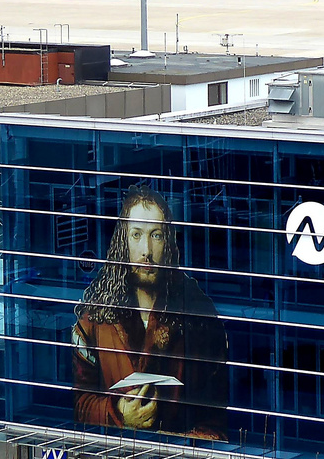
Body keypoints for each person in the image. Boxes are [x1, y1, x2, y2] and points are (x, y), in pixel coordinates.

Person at [72, 184, 229, 440]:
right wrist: (118, 412)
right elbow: (77, 402)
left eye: (156, 235)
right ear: (123, 242)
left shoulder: (199, 319)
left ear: (168, 242)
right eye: (136, 235)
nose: (146, 251)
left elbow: (217, 412)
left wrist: (178, 445)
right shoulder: (94, 321)